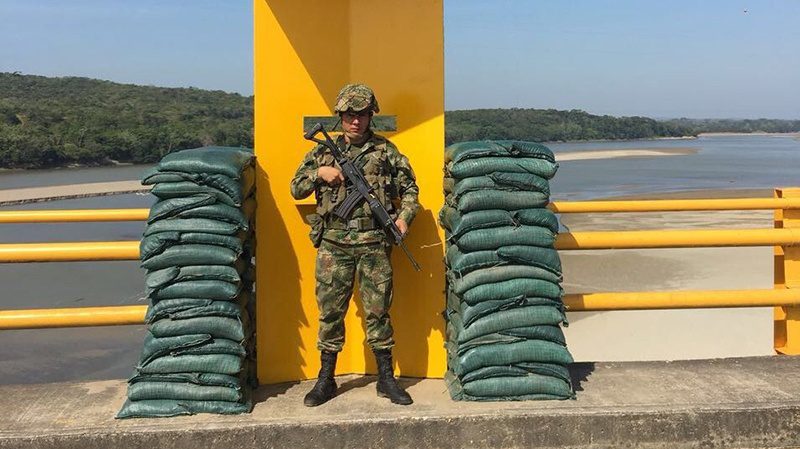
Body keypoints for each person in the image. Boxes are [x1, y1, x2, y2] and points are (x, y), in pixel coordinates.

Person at [290, 84, 420, 406]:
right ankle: (326, 380)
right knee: (331, 312)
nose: (356, 122)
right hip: (334, 244)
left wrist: (404, 218)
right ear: (341, 116)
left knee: (378, 311)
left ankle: (386, 379)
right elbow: (296, 188)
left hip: (374, 243)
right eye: (350, 115)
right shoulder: (322, 152)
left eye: (362, 115)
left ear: (370, 115)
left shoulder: (386, 152)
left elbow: (411, 189)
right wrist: (320, 174)